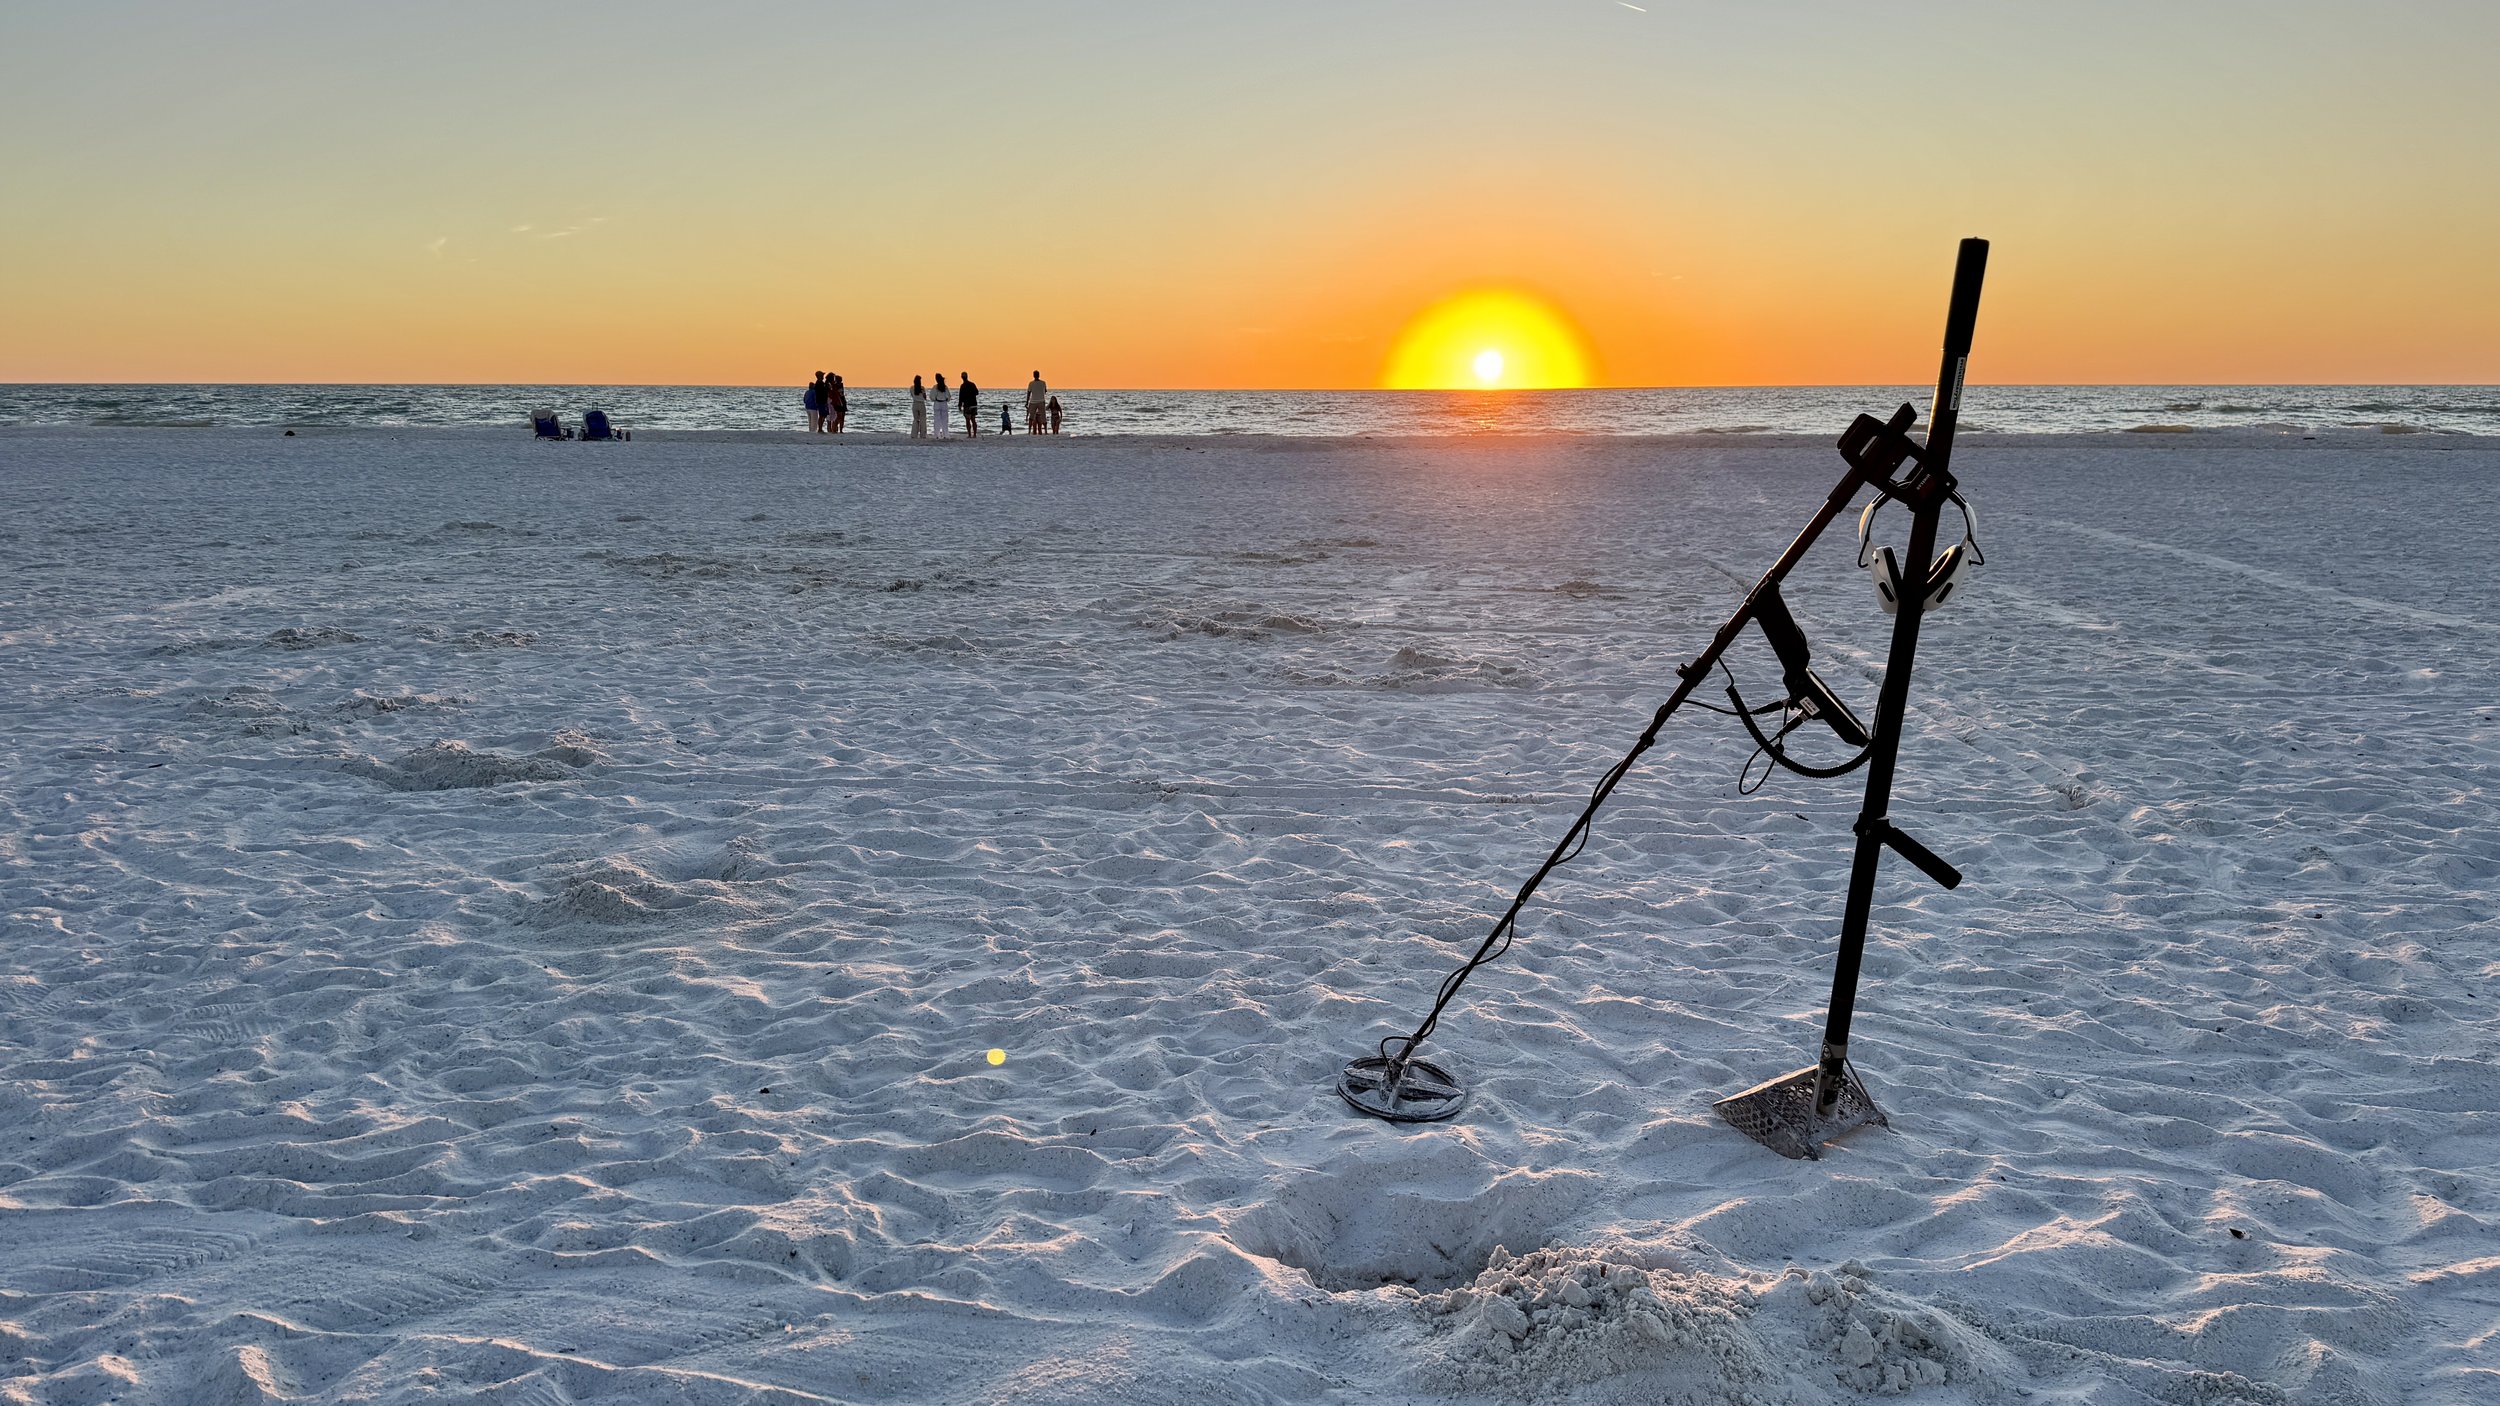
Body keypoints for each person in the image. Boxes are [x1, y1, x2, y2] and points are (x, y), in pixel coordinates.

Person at [1025, 370, 1047, 435]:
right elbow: (1045, 391)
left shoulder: (1031, 383)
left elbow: (1028, 393)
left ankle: (1029, 431)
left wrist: (1027, 402)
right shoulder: (1043, 383)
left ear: (1033, 375)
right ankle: (1045, 431)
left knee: (1031, 417)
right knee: (1043, 416)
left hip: (1033, 401)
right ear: (1039, 375)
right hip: (1041, 401)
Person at [910, 375, 927, 439]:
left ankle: (914, 435)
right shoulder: (922, 388)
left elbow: (912, 395)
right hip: (921, 404)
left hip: (915, 403)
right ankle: (923, 435)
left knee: (915, 419)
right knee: (923, 419)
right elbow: (925, 397)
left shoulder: (912, 388)